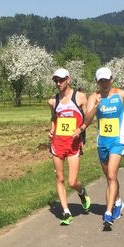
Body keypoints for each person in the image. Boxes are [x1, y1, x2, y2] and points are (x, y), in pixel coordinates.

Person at [84, 67, 124, 230]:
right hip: (102, 142)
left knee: (112, 175)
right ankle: (118, 202)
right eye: (101, 81)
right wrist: (95, 106)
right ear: (97, 82)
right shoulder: (94, 97)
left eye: (107, 80)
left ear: (112, 79)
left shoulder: (121, 94)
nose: (104, 83)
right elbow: (87, 120)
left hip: (118, 141)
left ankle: (108, 214)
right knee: (109, 177)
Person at [48, 68, 91, 225]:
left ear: (68, 80)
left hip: (73, 144)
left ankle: (82, 192)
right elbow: (54, 118)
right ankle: (66, 212)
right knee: (60, 178)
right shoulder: (53, 101)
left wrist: (81, 129)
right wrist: (52, 130)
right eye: (56, 81)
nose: (58, 83)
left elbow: (88, 118)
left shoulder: (79, 97)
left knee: (72, 182)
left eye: (61, 80)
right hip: (58, 143)